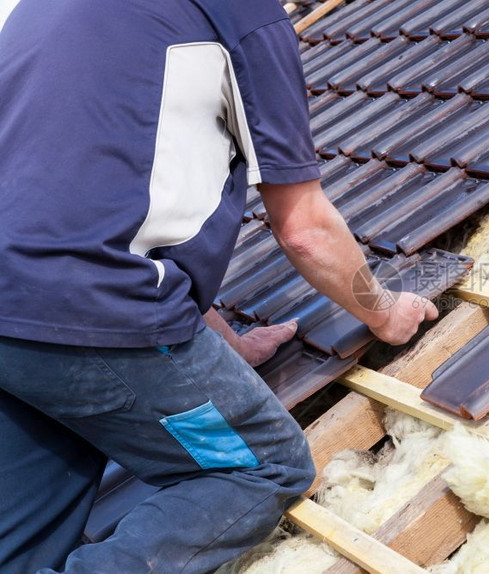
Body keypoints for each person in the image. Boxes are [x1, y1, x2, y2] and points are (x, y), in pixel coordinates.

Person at [0, 1, 437, 572]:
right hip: (84, 301)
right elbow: (304, 228)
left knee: (27, 533)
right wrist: (382, 310)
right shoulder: (246, 15)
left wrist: (226, 344)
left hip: (18, 320)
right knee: (262, 468)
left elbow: (84, 200)